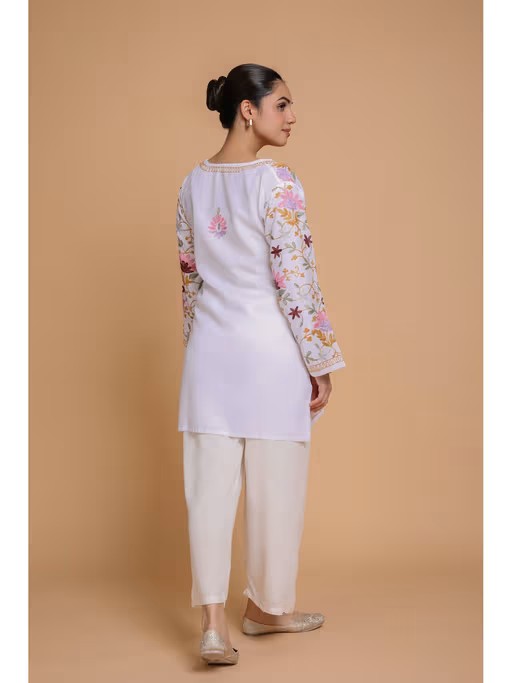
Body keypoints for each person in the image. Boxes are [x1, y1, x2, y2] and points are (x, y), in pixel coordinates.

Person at [175, 63, 347, 665]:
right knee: (277, 487)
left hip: (210, 356)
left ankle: (214, 627)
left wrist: (199, 349)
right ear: (248, 111)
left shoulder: (190, 185)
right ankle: (266, 609)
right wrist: (319, 360)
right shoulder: (278, 182)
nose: (292, 117)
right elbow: (296, 279)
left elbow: (190, 282)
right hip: (271, 355)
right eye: (282, 105)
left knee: (208, 491)